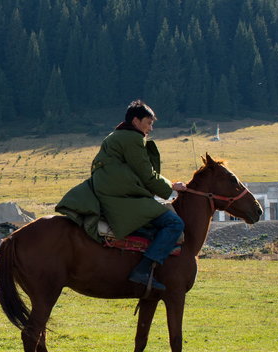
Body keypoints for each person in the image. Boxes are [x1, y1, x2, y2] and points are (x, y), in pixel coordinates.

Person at [57, 100, 186, 291]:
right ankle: (143, 270)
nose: (150, 128)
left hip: (112, 192)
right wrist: (172, 186)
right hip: (121, 197)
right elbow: (146, 174)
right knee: (174, 223)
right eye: (148, 123)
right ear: (136, 121)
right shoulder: (132, 139)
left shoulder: (117, 136)